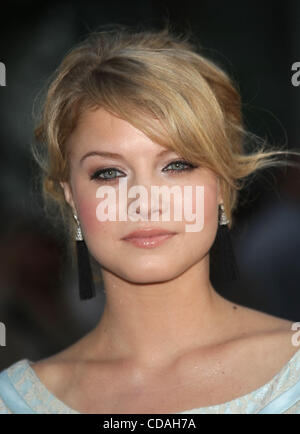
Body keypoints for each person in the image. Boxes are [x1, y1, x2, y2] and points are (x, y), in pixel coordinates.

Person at [1, 23, 300, 414]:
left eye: (177, 165)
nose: (144, 202)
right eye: (108, 173)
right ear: (71, 195)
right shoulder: (13, 401)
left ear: (223, 186)